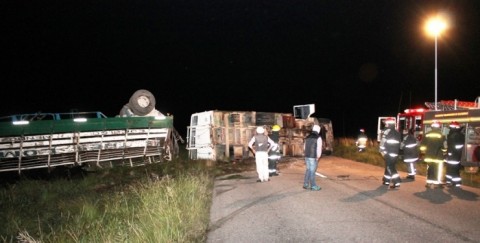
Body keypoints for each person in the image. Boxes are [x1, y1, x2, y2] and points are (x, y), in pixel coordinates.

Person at [420, 120, 447, 188]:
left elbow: (422, 146)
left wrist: (423, 153)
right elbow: (444, 147)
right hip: (438, 156)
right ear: (439, 127)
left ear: (432, 126)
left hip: (429, 156)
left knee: (430, 169)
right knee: (437, 170)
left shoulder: (427, 134)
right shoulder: (442, 135)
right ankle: (436, 184)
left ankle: (429, 183)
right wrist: (444, 152)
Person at [379, 118, 401, 188]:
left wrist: (381, 150)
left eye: (386, 123)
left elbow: (383, 141)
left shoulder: (387, 131)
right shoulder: (397, 132)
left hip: (388, 152)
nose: (385, 124)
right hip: (395, 153)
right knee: (389, 166)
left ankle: (397, 182)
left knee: (389, 167)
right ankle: (386, 181)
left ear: (388, 124)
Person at [445, 121, 465, 187]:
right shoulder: (459, 134)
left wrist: (449, 154)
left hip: (453, 156)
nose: (450, 128)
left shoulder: (454, 135)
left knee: (451, 169)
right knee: (454, 169)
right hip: (456, 155)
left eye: (451, 127)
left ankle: (451, 182)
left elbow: (452, 146)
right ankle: (455, 182)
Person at [303, 124, 322, 191]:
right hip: (313, 156)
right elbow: (319, 148)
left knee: (308, 169)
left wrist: (305, 154)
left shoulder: (307, 137)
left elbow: (304, 147)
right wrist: (318, 156)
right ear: (318, 130)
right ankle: (313, 186)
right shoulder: (318, 137)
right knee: (312, 171)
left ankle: (305, 184)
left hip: (306, 156)